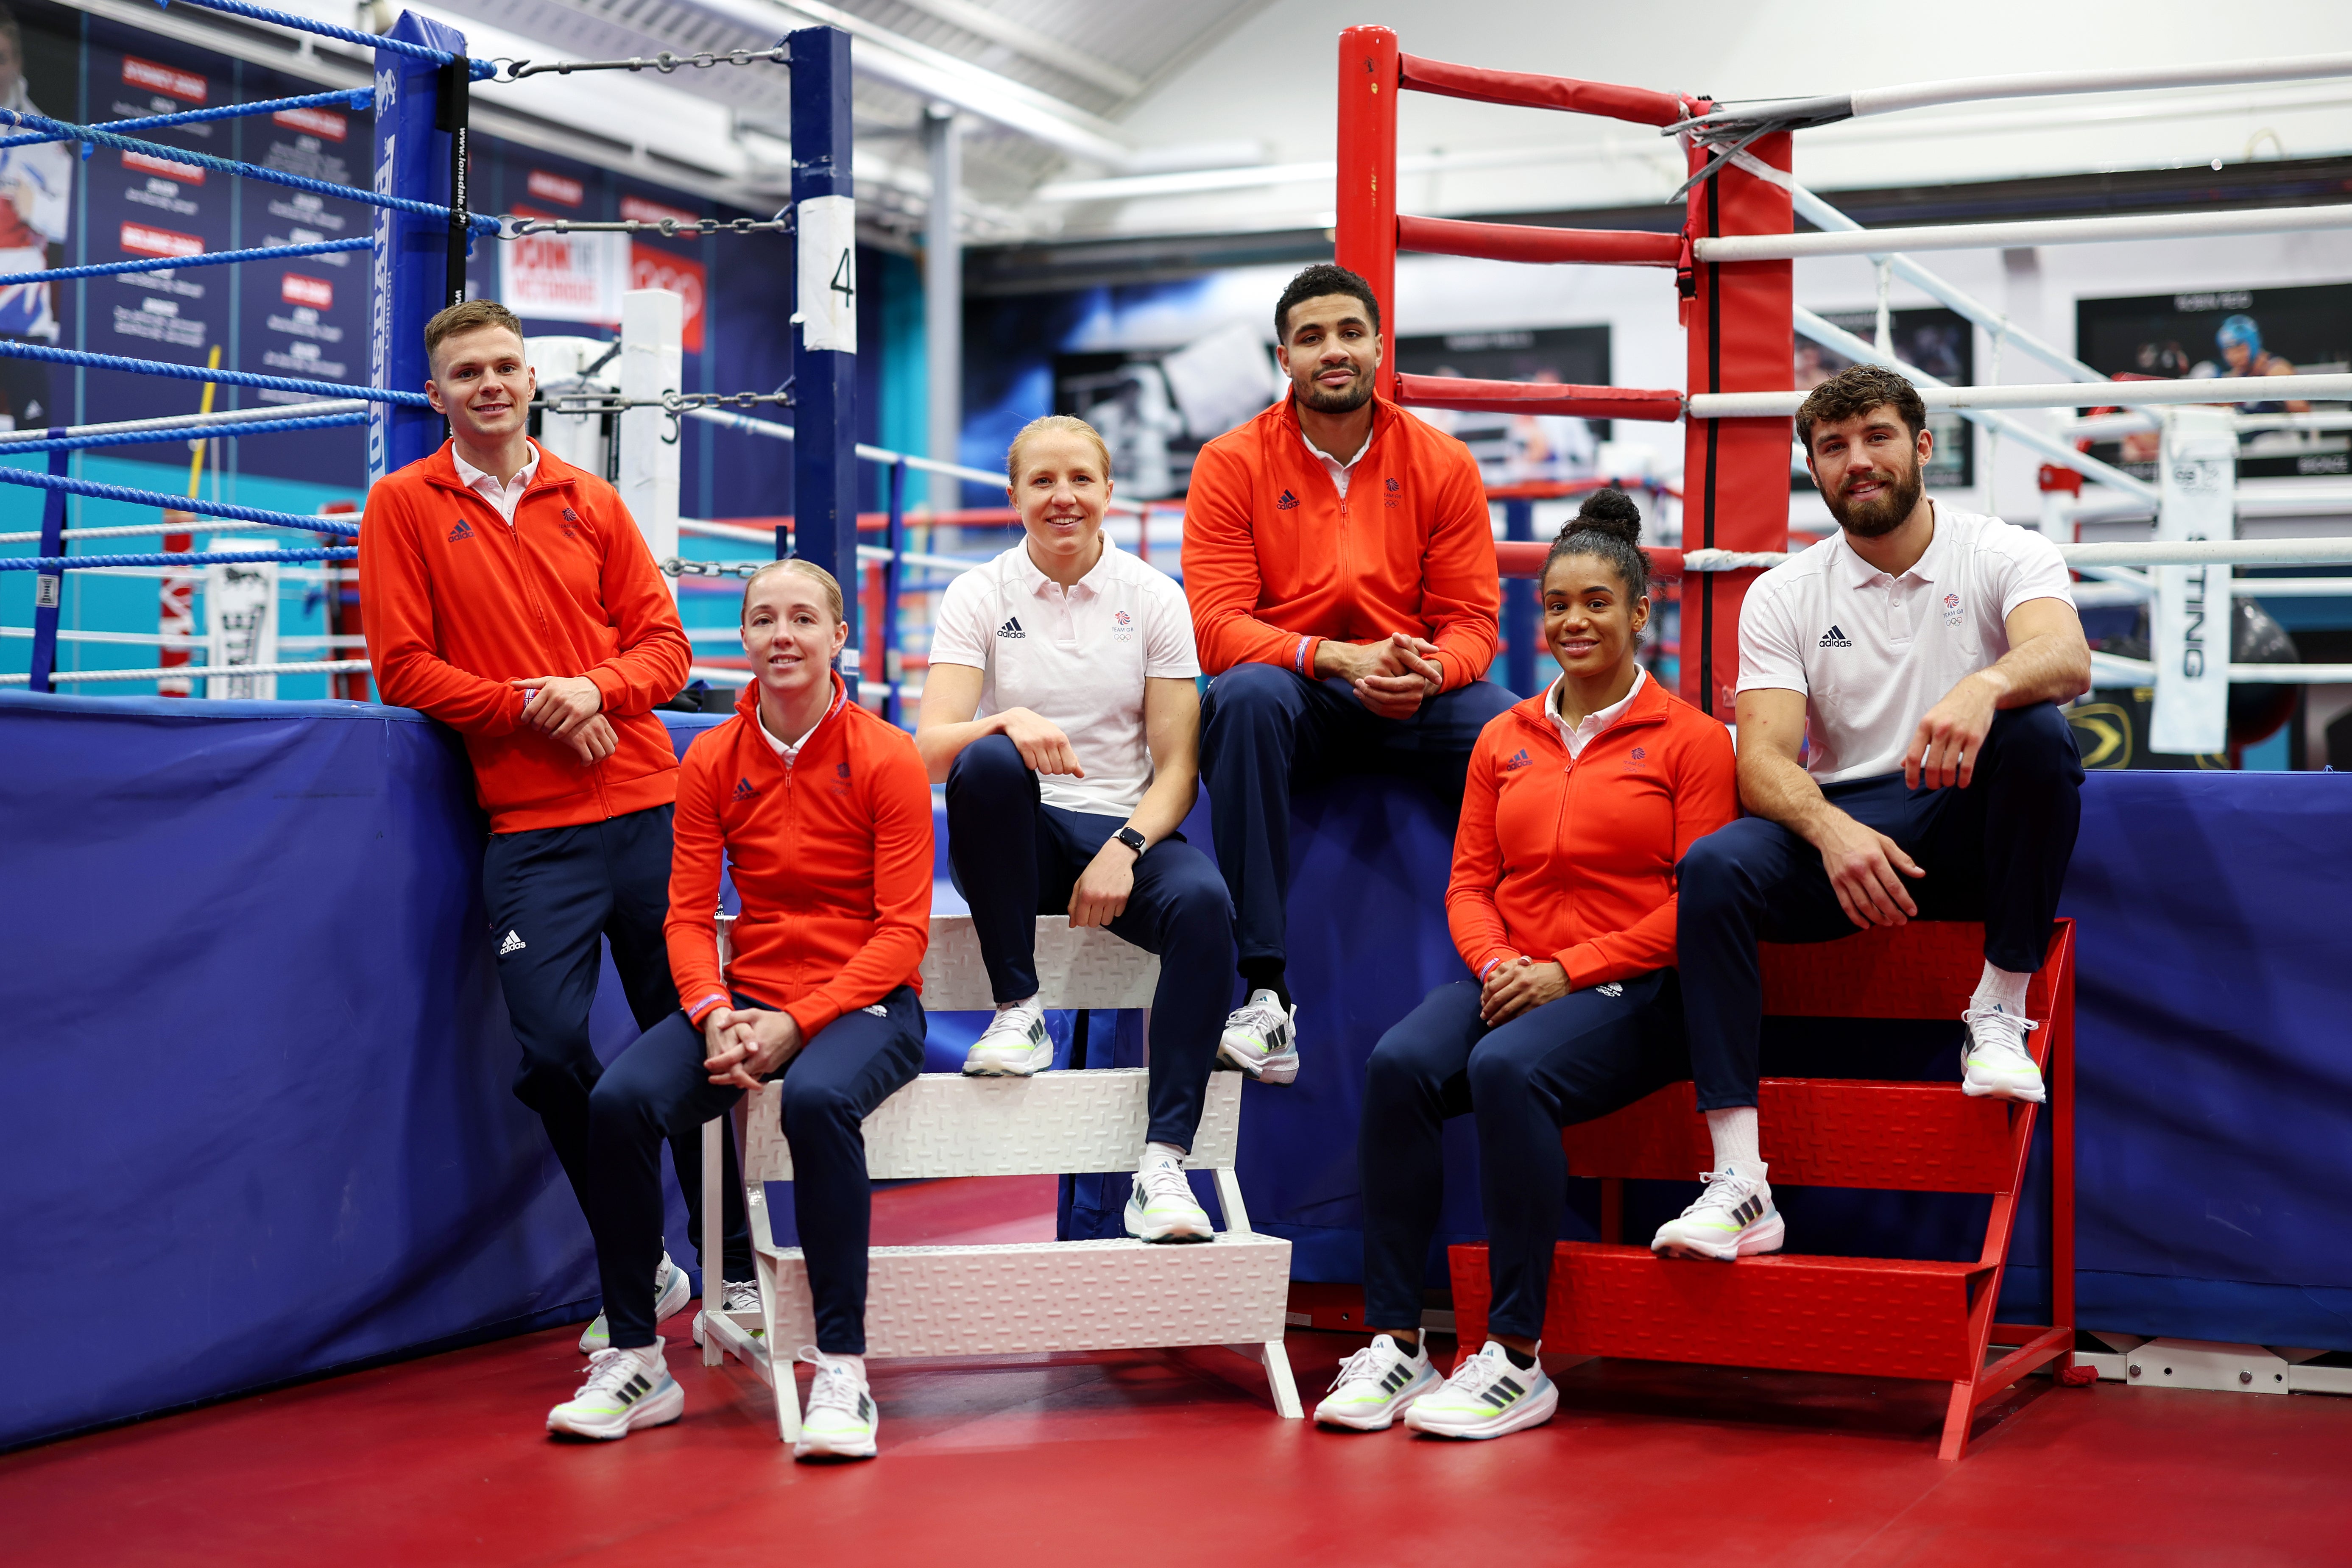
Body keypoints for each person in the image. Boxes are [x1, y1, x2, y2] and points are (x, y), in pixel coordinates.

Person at [359, 298, 751, 1351]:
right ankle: (644, 1264)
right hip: (532, 831)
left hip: (648, 813)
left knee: (704, 1046)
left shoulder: (591, 499)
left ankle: (738, 1272)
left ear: (532, 379)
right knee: (548, 1055)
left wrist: (595, 691)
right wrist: (539, 705)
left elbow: (666, 651)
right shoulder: (401, 505)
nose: (490, 384)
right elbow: (401, 665)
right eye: (467, 372)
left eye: (505, 366)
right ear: (435, 394)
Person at [1317, 493, 1736, 1440]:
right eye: (1555, 604)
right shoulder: (1503, 738)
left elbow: (1698, 907)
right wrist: (1502, 959)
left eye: (1596, 602)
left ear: (1640, 614)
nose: (1572, 622)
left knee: (1505, 1070)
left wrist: (1568, 971)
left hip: (1639, 991)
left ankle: (1512, 1356)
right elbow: (1468, 883)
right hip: (1514, 975)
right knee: (1397, 1066)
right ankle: (1396, 1343)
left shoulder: (1692, 741)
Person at [1661, 365, 2090, 1261]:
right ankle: (1739, 1182)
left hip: (1964, 818)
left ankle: (1999, 1011)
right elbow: (1762, 761)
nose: (1858, 460)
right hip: (1851, 827)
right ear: (1812, 470)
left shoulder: (2001, 550)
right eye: (1832, 447)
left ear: (1921, 446)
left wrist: (1985, 683)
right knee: (1713, 868)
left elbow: (2066, 654)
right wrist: (1830, 828)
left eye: (1877, 437)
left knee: (2039, 735)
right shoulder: (1783, 591)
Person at [547, 559, 934, 1459]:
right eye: (765, 619)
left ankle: (841, 1367)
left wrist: (800, 1021)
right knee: (617, 1100)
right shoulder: (713, 757)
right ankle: (638, 1358)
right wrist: (713, 1008)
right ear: (745, 638)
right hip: (748, 998)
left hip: (867, 1004)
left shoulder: (886, 754)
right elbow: (684, 915)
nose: (783, 636)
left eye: (804, 618)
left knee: (816, 1099)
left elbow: (902, 934)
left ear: (841, 636)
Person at [1184, 262, 1514, 1082]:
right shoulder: (1230, 463)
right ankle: (1265, 995)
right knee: (1242, 697)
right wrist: (1333, 656)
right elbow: (1218, 629)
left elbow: (1472, 622)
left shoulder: (1442, 462)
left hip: (1408, 690)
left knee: (1512, 731)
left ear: (1377, 345)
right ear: (1283, 358)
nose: (1332, 350)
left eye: (1348, 332)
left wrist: (1428, 672)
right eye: (1311, 337)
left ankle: (1538, 960)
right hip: (1299, 694)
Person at [916, 415, 1233, 1243]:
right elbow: (926, 749)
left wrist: (1125, 850)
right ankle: (1018, 1008)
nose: (1063, 498)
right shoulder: (978, 593)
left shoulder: (1154, 597)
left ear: (1108, 492)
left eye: (1080, 480)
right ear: (1014, 494)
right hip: (1019, 835)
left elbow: (1177, 769)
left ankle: (1162, 1163)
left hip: (1125, 835)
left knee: (1205, 908)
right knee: (985, 762)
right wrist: (1007, 720)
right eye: (1043, 482)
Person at [0, 5, 70, 428]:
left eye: (1, 59)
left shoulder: (45, 136)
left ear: (18, 62)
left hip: (22, 316)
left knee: (32, 439)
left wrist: (37, 208)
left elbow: (78, 220)